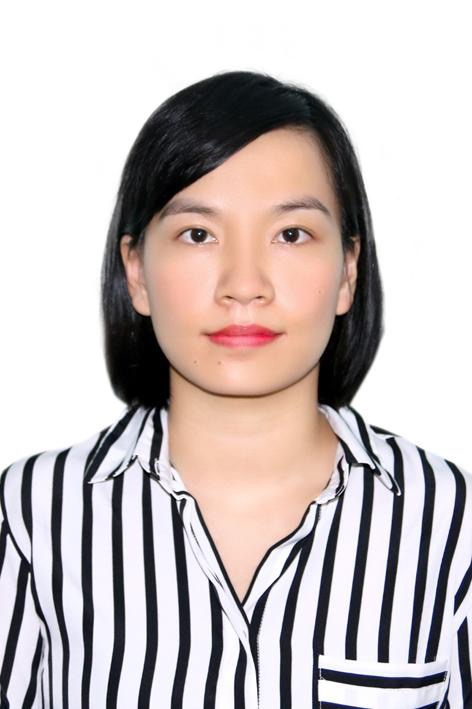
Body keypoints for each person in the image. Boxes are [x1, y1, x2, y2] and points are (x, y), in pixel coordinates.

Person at [0, 70, 470, 709]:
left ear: (347, 271)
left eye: (291, 234)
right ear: (136, 272)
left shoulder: (448, 522)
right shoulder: (30, 518)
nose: (244, 285)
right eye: (198, 234)